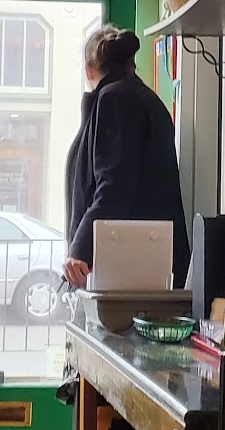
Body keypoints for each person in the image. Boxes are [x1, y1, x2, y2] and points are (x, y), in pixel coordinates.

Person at [63, 25, 191, 290]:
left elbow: (114, 186)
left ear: (88, 70)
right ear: (132, 64)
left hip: (130, 271)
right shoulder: (147, 99)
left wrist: (80, 250)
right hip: (152, 265)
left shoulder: (115, 100)